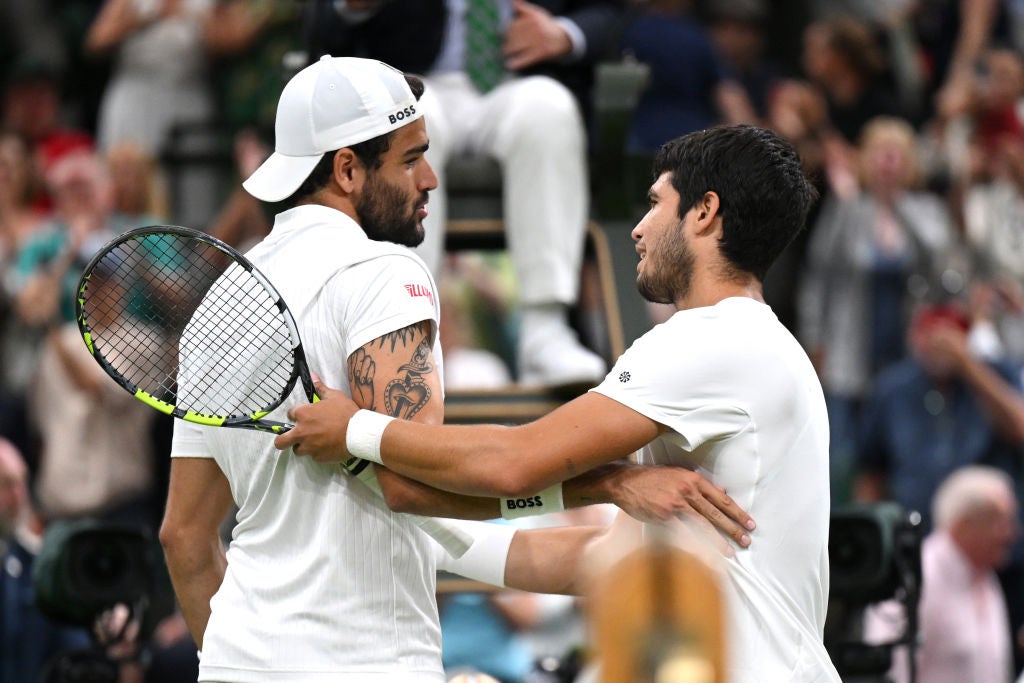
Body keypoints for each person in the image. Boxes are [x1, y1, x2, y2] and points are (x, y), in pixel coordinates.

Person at [159, 56, 755, 682]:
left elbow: (183, 536)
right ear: (347, 170)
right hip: (364, 664)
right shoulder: (383, 274)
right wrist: (607, 484)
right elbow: (407, 484)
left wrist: (234, 659)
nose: (432, 179)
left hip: (236, 663)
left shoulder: (220, 303)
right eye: (411, 159)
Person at [275, 124, 842, 681]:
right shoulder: (760, 344)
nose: (638, 230)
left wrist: (357, 430)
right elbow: (594, 560)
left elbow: (513, 461)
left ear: (704, 212)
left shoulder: (708, 341)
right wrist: (418, 533)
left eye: (655, 203)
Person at [314, 0, 623, 388]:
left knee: (550, 110)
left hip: (519, 83)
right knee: (406, 113)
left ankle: (545, 331)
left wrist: (564, 33)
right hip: (412, 79)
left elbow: (613, 13)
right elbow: (324, 22)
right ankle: (404, 329)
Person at [864, 465, 1019, 683]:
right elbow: (889, 669)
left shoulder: (986, 574)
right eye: (1001, 522)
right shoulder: (918, 576)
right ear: (965, 524)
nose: (1011, 534)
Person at [0, 438, 91, 683]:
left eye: (22, 482)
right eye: (6, 485)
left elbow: (74, 647)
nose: (19, 497)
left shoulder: (34, 566)